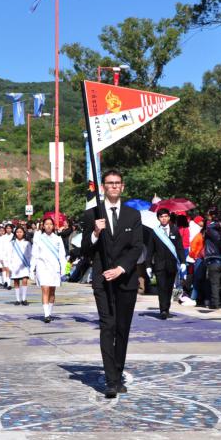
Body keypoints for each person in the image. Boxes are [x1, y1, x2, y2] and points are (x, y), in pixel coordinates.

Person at [81, 169, 144, 399]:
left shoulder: (132, 215)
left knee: (122, 328)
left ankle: (117, 373)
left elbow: (137, 247)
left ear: (123, 187)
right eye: (110, 183)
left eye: (118, 183)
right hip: (102, 279)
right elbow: (84, 249)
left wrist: (121, 269)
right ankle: (110, 380)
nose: (114, 186)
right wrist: (96, 233)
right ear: (104, 187)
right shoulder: (92, 215)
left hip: (125, 279)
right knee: (108, 326)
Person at [145, 208, 186, 320]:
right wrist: (148, 265)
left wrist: (183, 262)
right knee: (161, 288)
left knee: (168, 288)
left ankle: (167, 308)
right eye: (161, 216)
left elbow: (180, 247)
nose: (164, 218)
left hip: (172, 264)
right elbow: (150, 251)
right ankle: (163, 310)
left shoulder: (175, 230)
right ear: (158, 218)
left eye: (166, 216)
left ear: (169, 217)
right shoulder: (154, 232)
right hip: (159, 265)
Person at [31, 217, 67, 323]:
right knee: (45, 289)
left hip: (54, 267)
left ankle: (49, 312)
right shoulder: (38, 238)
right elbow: (34, 254)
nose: (48, 226)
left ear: (53, 226)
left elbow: (62, 255)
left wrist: (64, 269)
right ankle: (46, 315)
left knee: (52, 291)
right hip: (42, 267)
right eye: (46, 224)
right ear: (43, 226)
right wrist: (31, 269)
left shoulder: (58, 239)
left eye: (50, 224)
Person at [8, 225, 32, 306]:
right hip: (15, 265)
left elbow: (30, 254)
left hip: (24, 265)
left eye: (21, 232)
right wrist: (9, 265)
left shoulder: (27, 243)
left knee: (25, 280)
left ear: (24, 233)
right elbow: (9, 254)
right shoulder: (12, 243)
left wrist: (30, 265)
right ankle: (18, 299)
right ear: (15, 233)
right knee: (16, 282)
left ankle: (24, 299)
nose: (19, 234)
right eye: (17, 232)